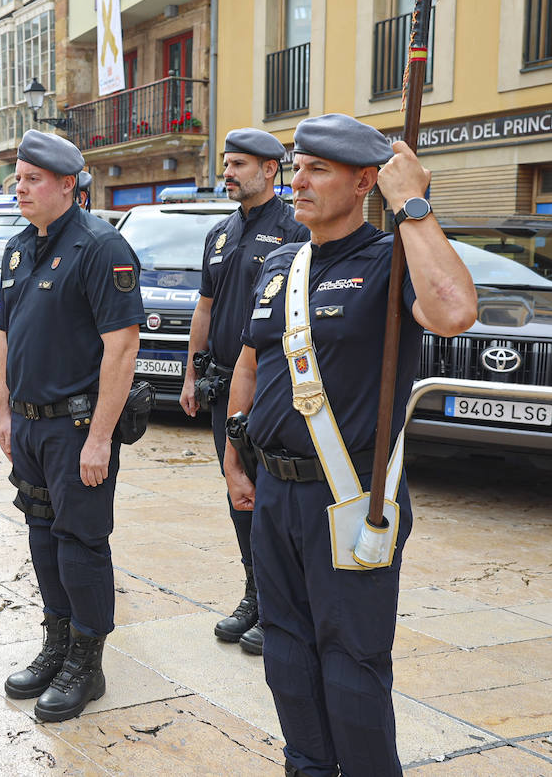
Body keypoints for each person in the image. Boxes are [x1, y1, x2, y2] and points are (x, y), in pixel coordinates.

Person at [224, 114, 475, 777]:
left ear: (365, 181)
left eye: (317, 169)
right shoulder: (282, 260)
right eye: (296, 166)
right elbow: (254, 359)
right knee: (286, 656)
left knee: (352, 666)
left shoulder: (390, 259)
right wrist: (233, 446)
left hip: (349, 498)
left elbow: (453, 311)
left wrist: (412, 205)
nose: (297, 180)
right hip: (273, 492)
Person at [0, 129, 143, 723]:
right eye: (18, 178)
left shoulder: (100, 247)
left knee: (80, 544)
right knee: (39, 533)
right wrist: (4, 412)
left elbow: (122, 348)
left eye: (33, 179)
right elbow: (5, 333)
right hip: (29, 426)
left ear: (67, 185)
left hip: (75, 428)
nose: (19, 188)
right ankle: (57, 642)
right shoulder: (19, 245)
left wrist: (101, 438)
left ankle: (88, 659)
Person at [178, 128, 309, 654]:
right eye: (226, 164)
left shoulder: (297, 228)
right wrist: (190, 374)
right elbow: (205, 308)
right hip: (225, 383)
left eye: (238, 165)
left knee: (276, 499)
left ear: (271, 169)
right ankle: (255, 594)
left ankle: (282, 606)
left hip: (275, 386)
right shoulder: (219, 233)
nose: (227, 173)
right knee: (241, 495)